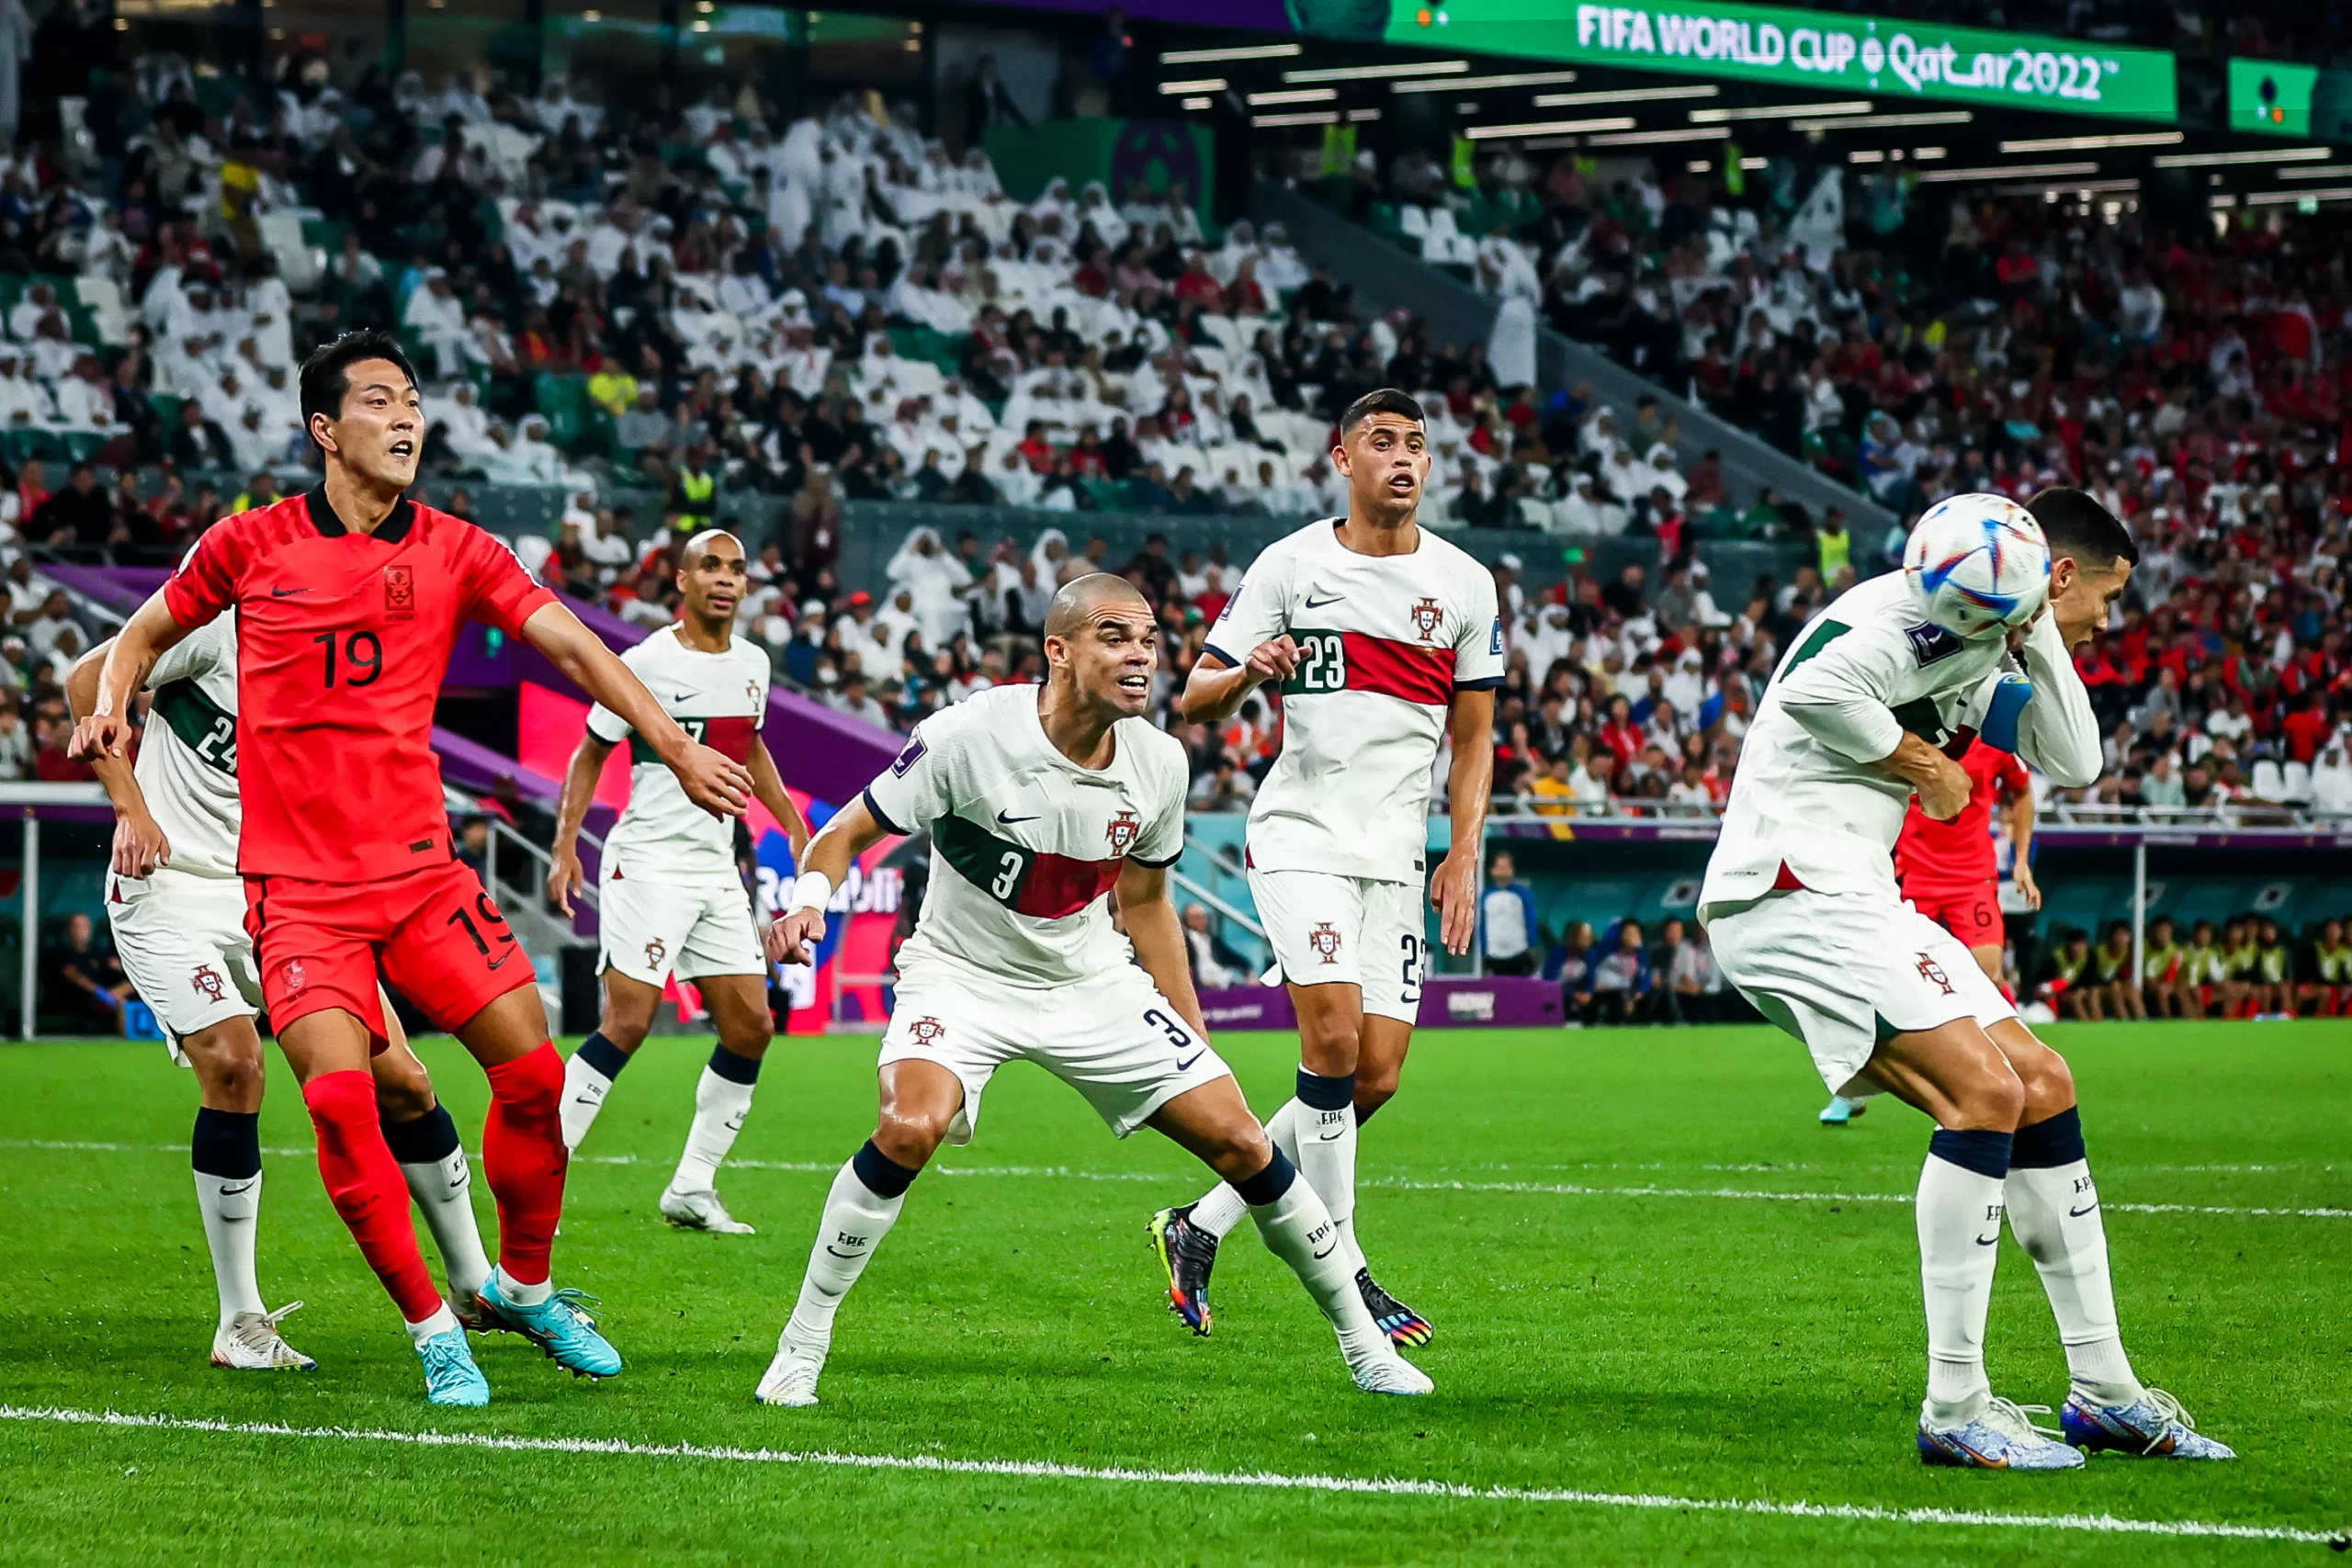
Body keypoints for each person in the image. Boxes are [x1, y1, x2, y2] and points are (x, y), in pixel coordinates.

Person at [72, 330, 755, 1407]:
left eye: (415, 403)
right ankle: (437, 1330)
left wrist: (668, 744)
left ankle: (521, 1288)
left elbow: (575, 646)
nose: (406, 420)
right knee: (343, 1104)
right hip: (296, 897)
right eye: (380, 401)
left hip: (424, 879)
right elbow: (139, 635)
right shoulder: (247, 547)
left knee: (532, 1077)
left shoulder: (456, 549)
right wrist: (114, 709)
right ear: (324, 430)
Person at [751, 575, 1431, 1406]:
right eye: (1114, 636)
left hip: (1091, 981)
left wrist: (1193, 1033)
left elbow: (1146, 904)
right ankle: (802, 1342)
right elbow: (844, 831)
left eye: (1148, 638)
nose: (1141, 653)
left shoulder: (1159, 762)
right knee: (907, 1125)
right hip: (962, 978)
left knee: (1246, 1143)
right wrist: (810, 903)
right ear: (1058, 651)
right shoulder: (970, 734)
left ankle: (1364, 1349)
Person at [1698, 488, 2230, 1469]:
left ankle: (2104, 1391)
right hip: (1789, 890)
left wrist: (2039, 634)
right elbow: (1813, 690)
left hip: (1855, 893)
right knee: (1983, 1092)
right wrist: (1919, 763)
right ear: (2059, 573)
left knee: (2042, 1084)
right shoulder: (1899, 613)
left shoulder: (1988, 645)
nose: (2109, 621)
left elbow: (2075, 759)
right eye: (2102, 599)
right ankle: (1954, 1407)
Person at [1147, 389, 1502, 1350]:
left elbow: (1474, 741)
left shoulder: (1465, 584)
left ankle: (1199, 1223)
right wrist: (1248, 671)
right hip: (1300, 831)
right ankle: (1345, 1268)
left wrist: (1461, 850)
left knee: (1373, 1076)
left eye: (1417, 446)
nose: (1403, 459)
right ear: (1340, 459)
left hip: (1393, 853)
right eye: (1381, 443)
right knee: (1334, 1041)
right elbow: (1195, 694)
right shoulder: (1291, 564)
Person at [68, 619, 494, 1371]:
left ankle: (473, 1283)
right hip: (165, 891)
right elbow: (84, 681)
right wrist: (130, 805)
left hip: (284, 902)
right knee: (236, 1065)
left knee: (402, 1077)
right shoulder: (216, 630)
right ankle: (240, 1321)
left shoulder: (355, 672)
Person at [549, 528, 810, 1233]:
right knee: (628, 1021)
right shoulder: (644, 661)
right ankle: (539, 1164)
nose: (725, 579)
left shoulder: (754, 663)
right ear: (683, 581)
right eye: (710, 566)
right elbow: (589, 752)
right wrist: (564, 843)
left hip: (714, 864)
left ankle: (692, 1186)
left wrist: (787, 816)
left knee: (751, 1026)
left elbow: (748, 744)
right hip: (649, 860)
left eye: (736, 568)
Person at [1823, 728, 2039, 1139]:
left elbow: (2023, 792)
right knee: (1886, 983)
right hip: (1913, 878)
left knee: (1986, 972)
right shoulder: (1910, 737)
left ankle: (2015, 1064)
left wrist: (2022, 861)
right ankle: (1854, 1087)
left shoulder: (1996, 741)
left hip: (1971, 878)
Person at [55, 910, 135, 1028]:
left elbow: (112, 965)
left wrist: (122, 968)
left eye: (85, 926)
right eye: (77, 926)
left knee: (136, 982)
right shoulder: (61, 953)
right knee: (120, 1003)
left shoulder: (96, 952)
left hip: (108, 996)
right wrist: (99, 992)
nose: (82, 931)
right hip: (79, 999)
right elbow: (72, 974)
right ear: (69, 930)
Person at [1477, 851, 1539, 976]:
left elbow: (1531, 920)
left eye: (1506, 867)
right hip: (1494, 954)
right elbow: (1482, 924)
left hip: (1519, 952)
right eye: (1499, 867)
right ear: (1492, 870)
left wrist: (1532, 945)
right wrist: (1483, 949)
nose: (1503, 871)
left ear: (1512, 870)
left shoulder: (1523, 894)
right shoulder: (1485, 896)